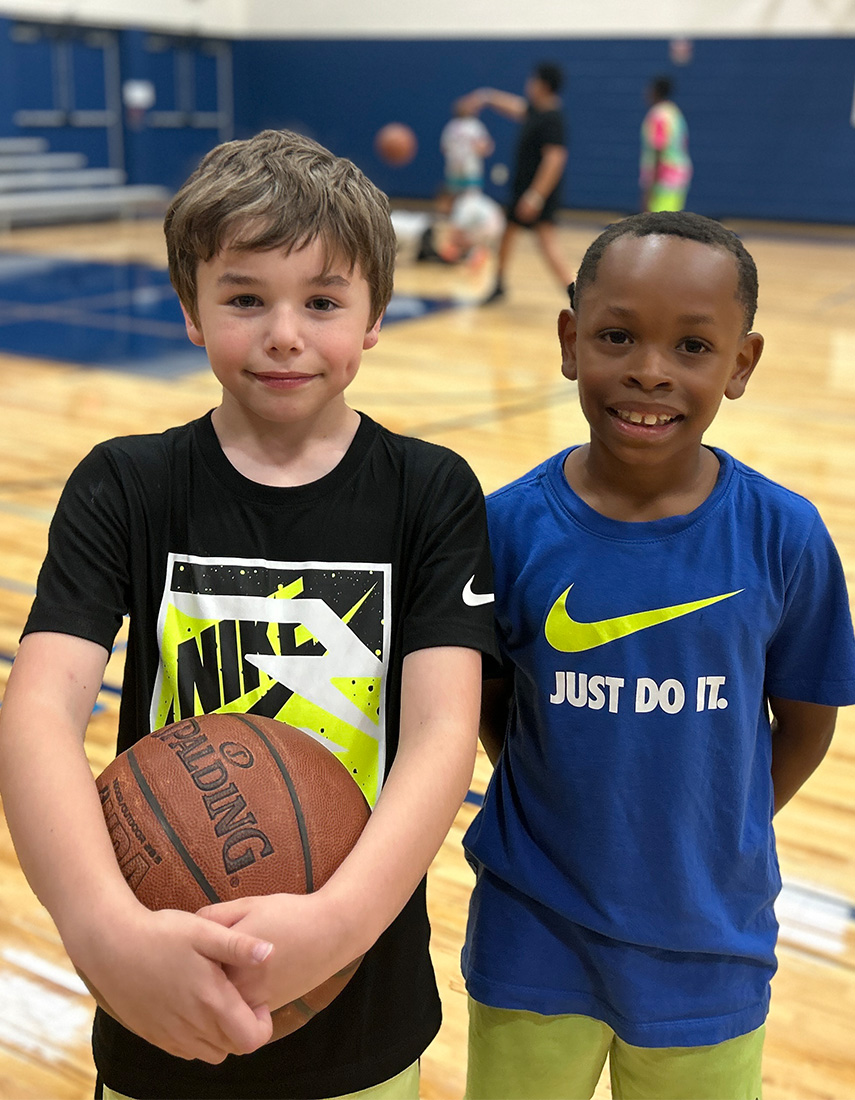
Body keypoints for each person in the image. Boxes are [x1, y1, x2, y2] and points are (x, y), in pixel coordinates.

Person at [0, 128, 499, 1100]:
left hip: (362, 997)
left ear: (376, 316)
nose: (284, 333)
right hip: (161, 981)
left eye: (321, 300)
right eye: (244, 298)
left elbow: (445, 730)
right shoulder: (125, 486)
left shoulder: (429, 492)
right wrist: (105, 930)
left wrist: (342, 920)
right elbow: (39, 712)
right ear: (190, 310)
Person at [461, 211, 855, 1099]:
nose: (649, 369)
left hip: (710, 945)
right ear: (569, 342)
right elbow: (484, 700)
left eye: (691, 346)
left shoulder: (783, 535)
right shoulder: (505, 528)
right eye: (615, 336)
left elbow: (804, 721)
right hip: (534, 932)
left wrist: (719, 826)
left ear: (740, 364)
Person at [460, 61, 574, 304]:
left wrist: (536, 196)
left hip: (537, 193)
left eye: (533, 80)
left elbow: (555, 160)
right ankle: (499, 284)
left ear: (542, 85)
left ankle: (576, 296)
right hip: (524, 190)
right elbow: (514, 107)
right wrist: (487, 97)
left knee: (548, 244)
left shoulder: (552, 119)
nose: (529, 84)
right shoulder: (536, 111)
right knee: (507, 234)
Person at [416, 99, 494, 264]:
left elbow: (444, 148)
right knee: (467, 207)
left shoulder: (451, 127)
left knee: (459, 208)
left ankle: (460, 245)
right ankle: (463, 245)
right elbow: (486, 147)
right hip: (470, 171)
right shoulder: (475, 126)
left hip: (455, 171)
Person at [640, 75, 692, 213]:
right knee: (671, 220)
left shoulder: (658, 116)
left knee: (657, 223)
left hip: (664, 178)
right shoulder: (674, 112)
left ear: (655, 91)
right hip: (678, 174)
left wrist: (651, 186)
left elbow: (659, 149)